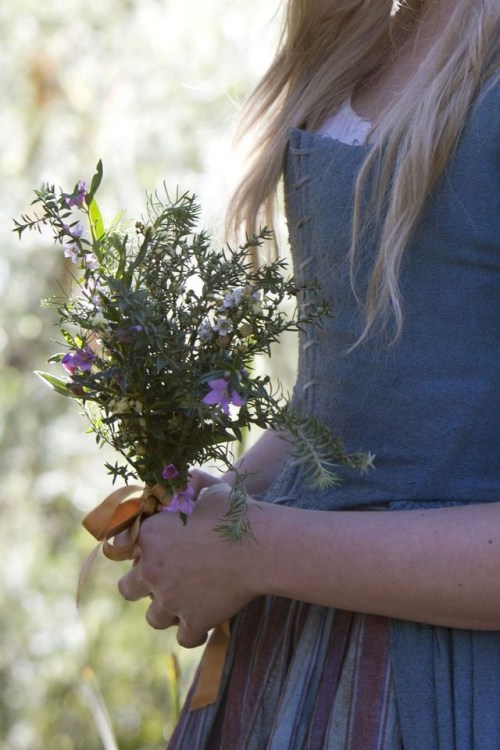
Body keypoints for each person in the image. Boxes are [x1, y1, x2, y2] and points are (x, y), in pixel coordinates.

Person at [118, 0, 500, 747]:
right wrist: (226, 506)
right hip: (301, 662)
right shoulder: (362, 36)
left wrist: (254, 548)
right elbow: (345, 406)